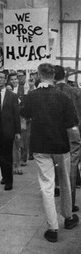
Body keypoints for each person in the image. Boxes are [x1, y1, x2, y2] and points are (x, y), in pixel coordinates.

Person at [22, 63, 79, 242]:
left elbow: (23, 113)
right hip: (61, 145)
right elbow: (72, 124)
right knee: (65, 182)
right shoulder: (62, 96)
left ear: (39, 75)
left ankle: (52, 229)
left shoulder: (32, 96)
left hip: (40, 146)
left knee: (46, 186)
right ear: (53, 75)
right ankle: (68, 217)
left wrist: (29, 91)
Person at [0, 72, 21, 191]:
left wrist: (17, 131)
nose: (0, 80)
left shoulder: (12, 96)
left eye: (2, 78)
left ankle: (9, 180)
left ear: (5, 80)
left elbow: (16, 114)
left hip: (8, 130)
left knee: (7, 155)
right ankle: (4, 176)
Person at [54, 65, 81, 212]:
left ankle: (57, 188)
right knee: (72, 166)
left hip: (55, 133)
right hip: (72, 132)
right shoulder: (75, 92)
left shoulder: (49, 93)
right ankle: (70, 204)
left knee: (56, 164)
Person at [7, 72, 23, 176]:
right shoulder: (6, 90)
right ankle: (11, 166)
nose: (14, 81)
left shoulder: (22, 89)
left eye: (15, 79)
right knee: (9, 146)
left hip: (20, 119)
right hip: (8, 122)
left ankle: (18, 165)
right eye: (12, 79)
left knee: (17, 145)